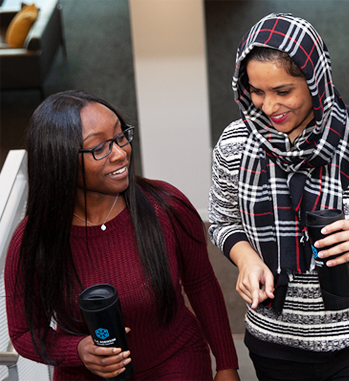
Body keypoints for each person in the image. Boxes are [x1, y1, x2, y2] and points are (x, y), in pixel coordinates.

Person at [5, 90, 240, 381]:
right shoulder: (33, 240)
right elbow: (24, 332)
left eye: (120, 136)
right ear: (59, 160)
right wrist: (78, 350)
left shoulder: (167, 205)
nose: (121, 153)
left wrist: (227, 365)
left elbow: (202, 284)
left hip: (176, 361)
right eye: (99, 148)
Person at [209, 13, 349, 381]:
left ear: (316, 81)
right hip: (274, 338)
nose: (269, 107)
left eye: (283, 91)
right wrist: (247, 260)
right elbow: (223, 221)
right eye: (256, 91)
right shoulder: (235, 144)